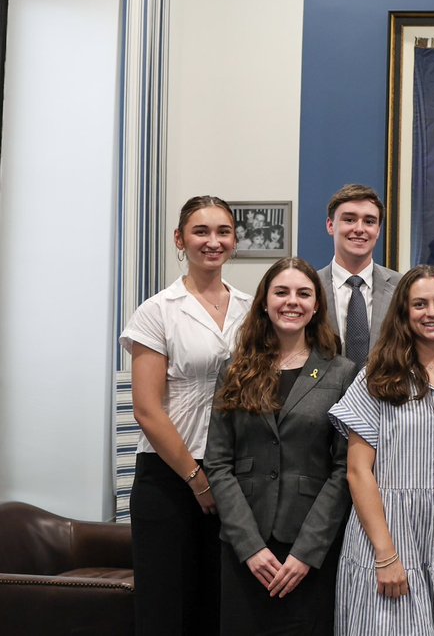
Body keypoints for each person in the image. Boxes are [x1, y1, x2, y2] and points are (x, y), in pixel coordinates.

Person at [329, 265, 434, 635]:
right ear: (403, 313)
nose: (432, 313)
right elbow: (358, 472)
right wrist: (386, 554)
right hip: (389, 534)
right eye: (419, 304)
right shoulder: (377, 375)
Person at [120, 195, 253, 635]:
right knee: (166, 612)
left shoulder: (253, 310)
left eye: (223, 232)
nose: (212, 242)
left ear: (235, 241)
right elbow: (146, 409)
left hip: (232, 476)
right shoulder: (157, 311)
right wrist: (196, 480)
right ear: (180, 239)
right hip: (169, 478)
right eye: (201, 232)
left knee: (220, 608)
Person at [204, 257, 357, 635]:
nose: (293, 301)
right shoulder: (236, 368)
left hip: (309, 548)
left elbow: (344, 469)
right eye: (282, 292)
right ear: (264, 302)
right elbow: (219, 463)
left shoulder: (340, 372)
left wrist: (307, 551)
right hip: (246, 546)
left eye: (304, 293)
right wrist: (250, 547)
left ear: (317, 305)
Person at [318, 184, 400, 370]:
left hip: (387, 396)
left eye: (369, 222)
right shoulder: (310, 289)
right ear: (331, 226)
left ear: (378, 230)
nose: (359, 229)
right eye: (349, 219)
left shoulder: (402, 288)